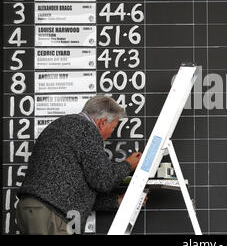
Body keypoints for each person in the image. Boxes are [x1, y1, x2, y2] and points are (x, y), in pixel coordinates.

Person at [16, 95, 142, 235]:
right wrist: (128, 165)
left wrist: (116, 201)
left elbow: (76, 192)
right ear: (102, 123)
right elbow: (103, 180)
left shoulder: (60, 125)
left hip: (29, 210)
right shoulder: (86, 130)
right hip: (51, 215)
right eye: (112, 129)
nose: (109, 136)